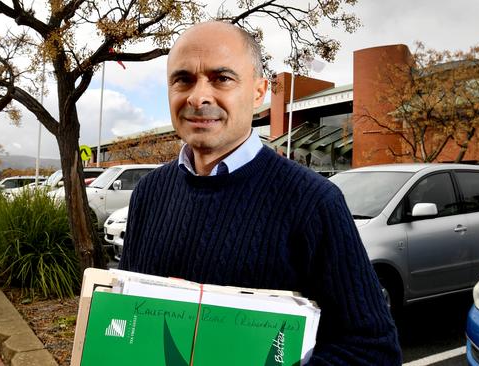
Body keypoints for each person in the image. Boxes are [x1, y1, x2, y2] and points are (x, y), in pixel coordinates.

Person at [119, 21, 401, 365]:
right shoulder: (149, 193)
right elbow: (126, 308)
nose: (198, 96)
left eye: (221, 78)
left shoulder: (312, 202)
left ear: (258, 91)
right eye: (183, 79)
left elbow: (374, 351)